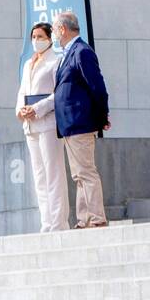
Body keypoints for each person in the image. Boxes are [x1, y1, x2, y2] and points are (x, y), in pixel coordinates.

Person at [52, 11, 110, 229]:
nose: (55, 34)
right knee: (78, 175)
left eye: (55, 29)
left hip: (80, 123)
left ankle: (97, 218)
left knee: (86, 172)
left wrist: (102, 115)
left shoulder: (82, 51)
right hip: (70, 125)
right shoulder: (69, 53)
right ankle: (84, 218)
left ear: (63, 29)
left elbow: (97, 86)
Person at [15, 21, 69, 233]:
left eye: (40, 36)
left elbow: (59, 94)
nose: (36, 41)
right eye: (34, 37)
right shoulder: (29, 63)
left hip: (48, 123)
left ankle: (58, 223)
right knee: (39, 176)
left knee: (53, 173)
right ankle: (46, 222)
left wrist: (37, 108)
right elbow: (22, 91)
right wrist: (21, 109)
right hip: (30, 126)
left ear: (49, 38)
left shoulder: (56, 62)